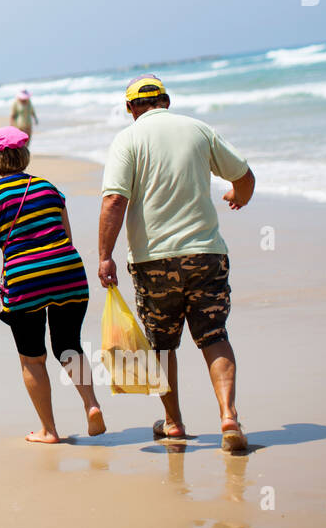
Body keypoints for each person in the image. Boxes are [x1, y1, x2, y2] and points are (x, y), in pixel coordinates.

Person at [97, 75, 255, 452]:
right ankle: (228, 417)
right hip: (206, 255)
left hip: (154, 263)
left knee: (163, 346)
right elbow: (244, 175)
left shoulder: (127, 139)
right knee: (214, 335)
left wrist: (105, 255)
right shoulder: (198, 129)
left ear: (131, 108)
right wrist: (238, 196)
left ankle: (173, 423)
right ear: (166, 101)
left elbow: (114, 201)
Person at [0, 126, 105, 443]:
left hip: (25, 281)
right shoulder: (48, 188)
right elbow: (67, 236)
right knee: (69, 346)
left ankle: (49, 430)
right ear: (23, 154)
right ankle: (91, 405)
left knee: (32, 357)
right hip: (68, 272)